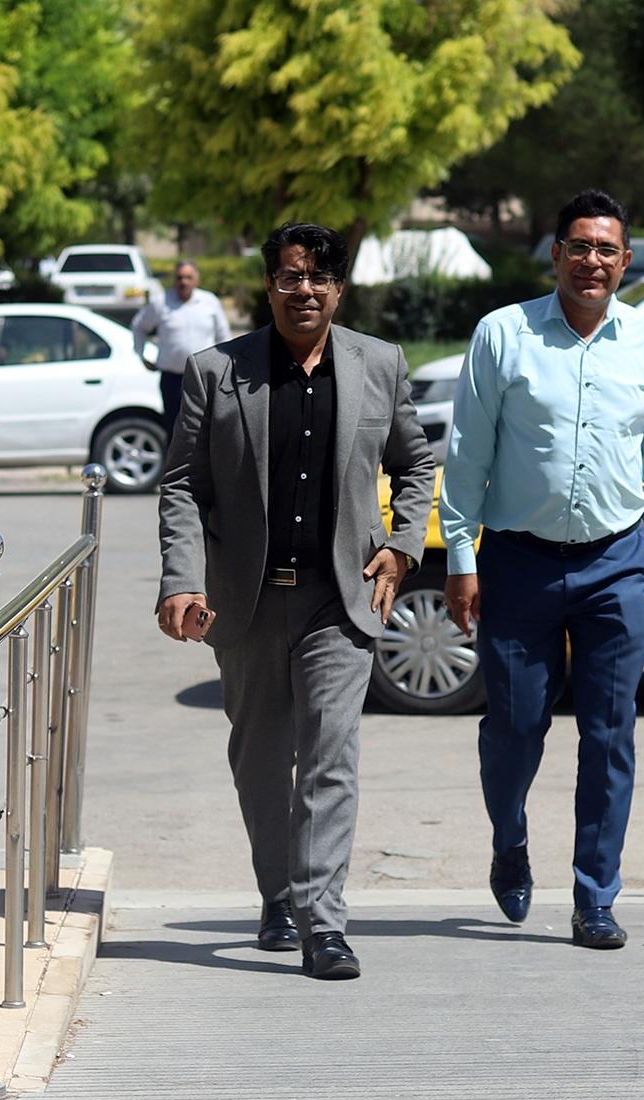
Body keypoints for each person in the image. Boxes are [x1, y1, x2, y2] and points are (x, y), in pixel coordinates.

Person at [156, 223, 434, 980]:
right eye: (288, 276)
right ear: (269, 286)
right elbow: (181, 485)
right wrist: (182, 579)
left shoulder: (379, 364)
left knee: (329, 759)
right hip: (245, 603)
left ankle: (324, 925)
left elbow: (415, 464)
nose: (303, 290)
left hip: (338, 602)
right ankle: (277, 894)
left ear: (339, 289)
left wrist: (404, 544)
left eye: (317, 278)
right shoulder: (217, 372)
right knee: (260, 760)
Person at [440, 189, 644, 951]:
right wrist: (460, 560)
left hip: (617, 564)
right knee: (514, 727)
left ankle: (595, 896)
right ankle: (509, 840)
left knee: (610, 735)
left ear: (625, 261)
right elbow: (466, 456)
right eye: (578, 247)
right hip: (519, 563)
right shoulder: (503, 334)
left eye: (606, 249)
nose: (591, 261)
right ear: (555, 254)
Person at [132, 260, 232, 433]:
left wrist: (226, 366)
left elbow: (223, 336)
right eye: (179, 277)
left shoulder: (209, 302)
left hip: (204, 378)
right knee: (174, 430)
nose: (183, 282)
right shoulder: (160, 302)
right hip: (172, 380)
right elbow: (139, 326)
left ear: (196, 280)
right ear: (174, 280)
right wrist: (142, 355)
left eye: (188, 277)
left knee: (205, 429)